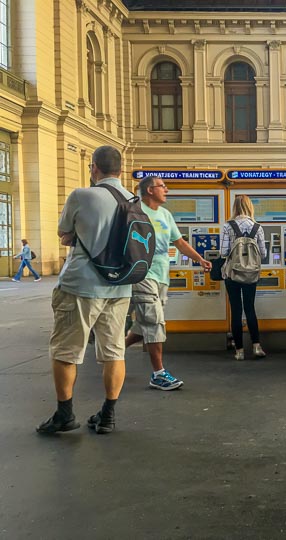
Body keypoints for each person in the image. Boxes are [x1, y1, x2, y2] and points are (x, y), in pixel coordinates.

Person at [37, 145, 133, 435]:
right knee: (114, 351)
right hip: (120, 286)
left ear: (94, 168)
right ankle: (107, 415)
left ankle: (64, 413)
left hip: (82, 285)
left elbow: (63, 232)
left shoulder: (82, 195)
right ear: (120, 168)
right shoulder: (134, 200)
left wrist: (78, 234)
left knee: (66, 349)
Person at [125, 176, 211, 390]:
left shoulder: (165, 215)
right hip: (141, 274)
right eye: (162, 186)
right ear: (149, 190)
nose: (167, 190)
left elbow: (179, 242)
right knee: (154, 322)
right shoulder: (133, 211)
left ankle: (111, 351)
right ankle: (158, 374)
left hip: (162, 276)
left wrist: (199, 259)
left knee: (144, 324)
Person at [220, 194, 267, 361]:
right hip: (251, 273)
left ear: (235, 207)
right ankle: (256, 346)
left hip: (232, 273)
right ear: (250, 207)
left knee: (236, 310)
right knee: (250, 308)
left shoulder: (228, 226)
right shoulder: (257, 227)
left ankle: (239, 351)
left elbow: (224, 252)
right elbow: (263, 253)